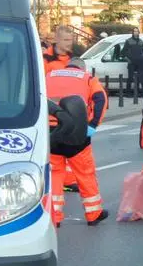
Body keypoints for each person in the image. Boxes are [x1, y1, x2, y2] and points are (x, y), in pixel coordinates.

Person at [46, 58, 109, 227]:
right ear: (82, 67)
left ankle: (54, 216)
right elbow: (101, 100)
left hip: (51, 131)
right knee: (85, 173)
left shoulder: (48, 75)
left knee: (54, 173)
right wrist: (93, 124)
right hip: (77, 131)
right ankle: (93, 213)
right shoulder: (87, 78)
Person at [43, 25, 80, 192]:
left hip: (71, 110)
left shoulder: (73, 59)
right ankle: (56, 180)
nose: (69, 43)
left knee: (71, 148)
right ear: (56, 39)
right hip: (52, 113)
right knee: (55, 153)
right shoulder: (46, 60)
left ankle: (69, 180)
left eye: (70, 40)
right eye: (65, 40)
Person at [123, 27, 143, 91]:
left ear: (138, 32)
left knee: (138, 78)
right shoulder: (128, 41)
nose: (136, 32)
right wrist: (128, 60)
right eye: (134, 31)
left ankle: (136, 93)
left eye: (137, 31)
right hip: (131, 63)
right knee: (130, 78)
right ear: (132, 32)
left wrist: (142, 60)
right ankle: (128, 92)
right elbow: (123, 52)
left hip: (139, 63)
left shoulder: (141, 41)